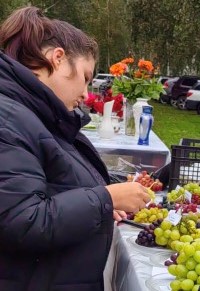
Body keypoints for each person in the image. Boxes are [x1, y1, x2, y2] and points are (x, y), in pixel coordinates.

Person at [0, 7, 150, 291]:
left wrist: (106, 202)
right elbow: (23, 221)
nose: (86, 94)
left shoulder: (37, 115)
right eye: (85, 76)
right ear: (57, 59)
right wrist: (105, 198)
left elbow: (54, 183)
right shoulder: (8, 119)